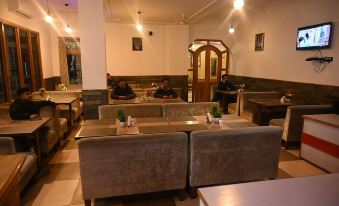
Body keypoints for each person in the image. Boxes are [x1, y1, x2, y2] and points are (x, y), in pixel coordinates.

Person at [9, 87, 57, 152]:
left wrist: (55, 105)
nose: (30, 95)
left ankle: (30, 144)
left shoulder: (31, 103)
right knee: (19, 136)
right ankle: (29, 146)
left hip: (33, 125)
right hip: (20, 125)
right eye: (27, 94)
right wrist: (29, 116)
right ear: (21, 96)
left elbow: (44, 102)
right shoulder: (15, 105)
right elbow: (14, 115)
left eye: (30, 93)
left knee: (45, 128)